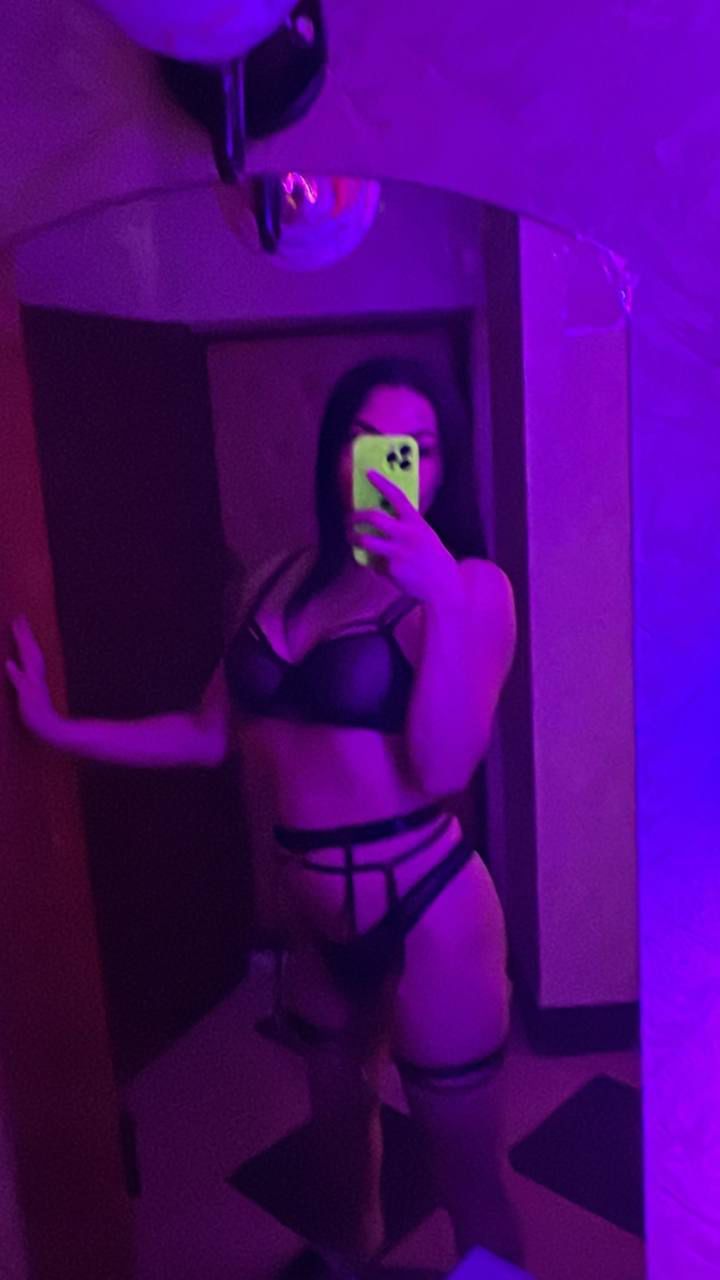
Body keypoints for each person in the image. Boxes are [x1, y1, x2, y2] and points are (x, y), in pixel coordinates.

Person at [6, 357, 523, 1276]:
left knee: (466, 1172)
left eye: (417, 448)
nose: (388, 463)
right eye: (365, 439)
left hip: (430, 907)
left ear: (442, 467)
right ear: (336, 454)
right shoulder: (275, 580)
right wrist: (55, 727)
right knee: (335, 1148)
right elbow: (206, 734)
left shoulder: (473, 588)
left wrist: (438, 599)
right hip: (314, 915)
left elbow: (445, 766)